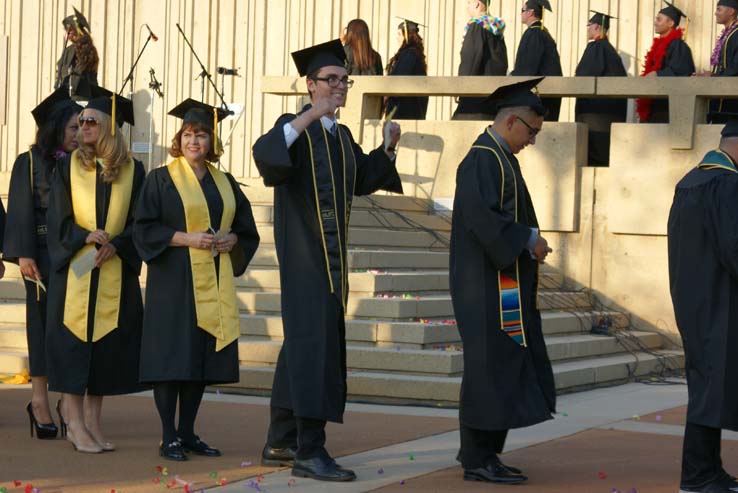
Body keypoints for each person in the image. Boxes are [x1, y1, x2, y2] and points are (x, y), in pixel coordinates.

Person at [252, 39, 402, 482]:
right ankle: (309, 450)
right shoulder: (294, 126)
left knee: (302, 346)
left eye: (344, 81)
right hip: (303, 258)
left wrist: (388, 148)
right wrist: (309, 115)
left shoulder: (341, 137)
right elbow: (266, 157)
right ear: (311, 84)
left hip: (331, 264)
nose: (339, 87)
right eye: (330, 80)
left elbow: (362, 178)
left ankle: (280, 440)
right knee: (314, 348)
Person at [133, 99, 260, 461]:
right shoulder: (161, 178)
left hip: (213, 282)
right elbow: (144, 228)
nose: (194, 141)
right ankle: (168, 436)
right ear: (179, 138)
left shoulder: (225, 182)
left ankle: (188, 432)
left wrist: (231, 239)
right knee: (171, 359)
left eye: (202, 135)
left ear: (211, 141)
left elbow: (245, 230)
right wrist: (187, 238)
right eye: (189, 134)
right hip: (172, 282)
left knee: (198, 362)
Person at [450, 77, 556, 485]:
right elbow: (485, 222)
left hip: (503, 285)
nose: (532, 140)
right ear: (513, 121)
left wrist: (526, 242)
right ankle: (477, 457)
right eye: (532, 131)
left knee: (503, 363)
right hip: (485, 288)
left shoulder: (500, 157)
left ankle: (486, 452)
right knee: (487, 368)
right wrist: (528, 239)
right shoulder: (482, 159)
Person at [46, 88, 145, 454]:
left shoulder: (134, 171)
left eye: (91, 121)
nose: (82, 127)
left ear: (109, 128)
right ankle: (73, 424)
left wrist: (118, 243)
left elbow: (141, 221)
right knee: (72, 349)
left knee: (103, 352)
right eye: (81, 121)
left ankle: (93, 424)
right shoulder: (66, 166)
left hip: (113, 272)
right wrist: (84, 236)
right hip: (75, 272)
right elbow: (57, 217)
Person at [4, 88, 83, 440]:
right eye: (73, 129)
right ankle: (39, 401)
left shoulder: (82, 164)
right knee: (40, 328)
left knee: (72, 329)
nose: (79, 135)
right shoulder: (30, 161)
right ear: (55, 129)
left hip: (75, 256)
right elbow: (20, 208)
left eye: (81, 127)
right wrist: (23, 254)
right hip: (39, 256)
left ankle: (69, 403)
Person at [667, 118, 738, 493]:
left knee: (708, 388)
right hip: (721, 303)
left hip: (696, 299)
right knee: (711, 391)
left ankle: (709, 469)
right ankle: (697, 475)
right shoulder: (726, 184)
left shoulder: (691, 179)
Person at [574, 12, 628, 166]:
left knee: (593, 154)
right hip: (609, 116)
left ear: (597, 26)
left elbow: (583, 77)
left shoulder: (596, 47)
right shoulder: (610, 50)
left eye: (589, 25)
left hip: (596, 115)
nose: (588, 29)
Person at [636, 1, 695, 123]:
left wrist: (657, 74)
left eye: (659, 19)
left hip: (668, 108)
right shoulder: (658, 45)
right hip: (654, 104)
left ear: (671, 23)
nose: (655, 22)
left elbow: (681, 72)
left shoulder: (678, 45)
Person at [452, 0, 508, 120]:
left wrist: (460, 87)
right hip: (494, 98)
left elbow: (470, 60)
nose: (467, 7)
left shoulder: (477, 26)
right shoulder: (496, 31)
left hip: (475, 98)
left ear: (477, 4)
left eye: (469, 3)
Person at [511, 0, 563, 122]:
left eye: (522, 11)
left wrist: (514, 78)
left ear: (530, 13)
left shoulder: (535, 33)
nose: (521, 14)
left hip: (542, 96)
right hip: (549, 94)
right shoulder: (543, 32)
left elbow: (528, 67)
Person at [695, 0, 738, 123]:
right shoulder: (727, 34)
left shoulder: (736, 34)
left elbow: (736, 68)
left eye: (719, 9)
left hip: (732, 104)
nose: (715, 13)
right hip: (721, 99)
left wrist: (713, 76)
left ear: (731, 11)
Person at [384, 18, 429, 120]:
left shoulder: (410, 54)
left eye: (400, 34)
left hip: (404, 110)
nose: (397, 37)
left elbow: (398, 79)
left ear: (407, 35)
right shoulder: (413, 53)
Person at [54, 7, 99, 96]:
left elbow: (70, 79)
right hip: (90, 98)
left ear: (70, 31)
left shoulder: (72, 50)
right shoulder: (91, 49)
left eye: (64, 30)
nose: (63, 33)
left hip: (74, 100)